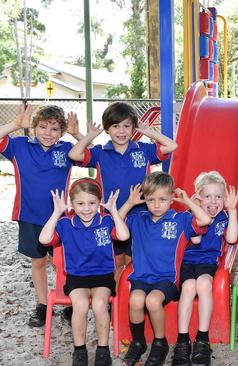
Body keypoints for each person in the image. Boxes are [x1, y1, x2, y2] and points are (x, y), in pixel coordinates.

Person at [0, 104, 82, 327]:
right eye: (43, 127)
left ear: (62, 132)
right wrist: (15, 125)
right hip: (29, 215)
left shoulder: (67, 149)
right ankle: (43, 305)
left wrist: (77, 134)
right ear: (34, 127)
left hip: (59, 218)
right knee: (38, 262)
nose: (48, 132)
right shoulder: (19, 146)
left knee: (63, 264)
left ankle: (69, 304)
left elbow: (91, 153)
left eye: (55, 129)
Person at [68, 101, 178, 287]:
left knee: (134, 262)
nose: (121, 131)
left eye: (126, 126)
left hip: (140, 216)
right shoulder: (100, 153)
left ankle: (130, 300)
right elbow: (74, 154)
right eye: (115, 126)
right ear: (107, 130)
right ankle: (116, 301)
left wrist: (148, 132)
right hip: (111, 216)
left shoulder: (143, 150)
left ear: (133, 127)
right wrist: (90, 135)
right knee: (116, 262)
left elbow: (171, 145)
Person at [118, 172, 211, 366]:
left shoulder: (181, 219)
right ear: (144, 199)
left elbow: (204, 220)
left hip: (167, 278)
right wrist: (129, 203)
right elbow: (116, 226)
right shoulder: (138, 218)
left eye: (162, 199)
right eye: (151, 199)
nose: (157, 205)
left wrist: (188, 202)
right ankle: (138, 342)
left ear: (171, 199)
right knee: (135, 300)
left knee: (152, 301)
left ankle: (160, 343)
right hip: (142, 276)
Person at [38, 178, 129, 366]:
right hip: (76, 277)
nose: (86, 208)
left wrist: (113, 211)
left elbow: (123, 235)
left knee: (99, 304)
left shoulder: (106, 221)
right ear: (72, 204)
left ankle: (103, 350)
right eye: (80, 204)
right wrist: (56, 213)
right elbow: (44, 239)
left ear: (99, 202)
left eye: (91, 203)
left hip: (102, 276)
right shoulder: (65, 224)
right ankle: (80, 350)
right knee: (79, 305)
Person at [171, 171, 238, 366]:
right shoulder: (187, 216)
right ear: (198, 197)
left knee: (203, 284)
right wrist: (193, 208)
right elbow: (196, 238)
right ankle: (182, 340)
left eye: (218, 196)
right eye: (207, 196)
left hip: (208, 262)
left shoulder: (224, 216)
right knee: (189, 287)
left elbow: (233, 239)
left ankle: (202, 338)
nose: (213, 201)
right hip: (186, 262)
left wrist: (232, 210)